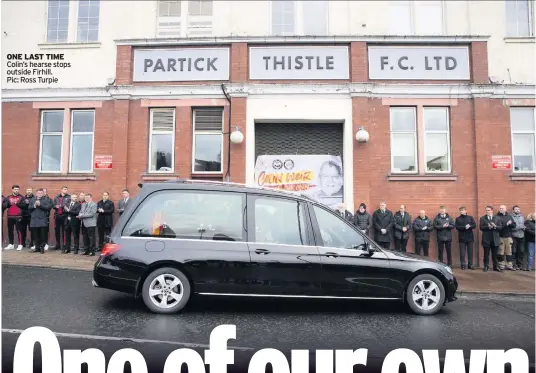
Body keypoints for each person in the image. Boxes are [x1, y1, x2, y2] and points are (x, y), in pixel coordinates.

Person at [28, 189, 52, 254]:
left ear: (43, 193)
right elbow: (29, 208)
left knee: (42, 235)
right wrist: (34, 205)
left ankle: (42, 248)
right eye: (38, 193)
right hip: (34, 220)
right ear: (36, 193)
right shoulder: (32, 199)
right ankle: (37, 248)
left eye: (41, 193)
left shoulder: (46, 199)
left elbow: (48, 208)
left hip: (42, 220)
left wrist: (40, 205)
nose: (40, 194)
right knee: (35, 235)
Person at [480, 205, 502, 272]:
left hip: (495, 239)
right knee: (486, 254)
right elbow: (481, 227)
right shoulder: (482, 218)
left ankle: (495, 267)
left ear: (492, 210)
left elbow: (500, 227)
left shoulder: (497, 218)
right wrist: (488, 227)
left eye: (488, 210)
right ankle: (486, 266)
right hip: (486, 239)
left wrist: (495, 226)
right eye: (486, 210)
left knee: (495, 254)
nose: (487, 211)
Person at [2, 185, 25, 250]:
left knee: (19, 231)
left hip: (18, 216)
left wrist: (17, 204)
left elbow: (24, 205)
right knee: (10, 230)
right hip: (10, 216)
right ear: (12, 190)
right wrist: (7, 204)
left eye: (17, 189)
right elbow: (4, 206)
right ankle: (11, 244)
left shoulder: (21, 197)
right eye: (15, 189)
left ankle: (20, 244)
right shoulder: (8, 197)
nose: (16, 190)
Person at [496, 204, 516, 271]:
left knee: (509, 251)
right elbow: (499, 227)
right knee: (501, 251)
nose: (501, 209)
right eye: (500, 208)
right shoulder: (497, 217)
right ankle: (501, 265)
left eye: (502, 208)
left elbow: (514, 225)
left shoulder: (509, 216)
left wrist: (511, 224)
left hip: (508, 236)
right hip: (500, 236)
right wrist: (506, 224)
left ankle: (509, 265)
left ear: (505, 209)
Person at [51, 186, 70, 251]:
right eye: (64, 189)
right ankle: (58, 244)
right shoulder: (56, 197)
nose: (65, 190)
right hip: (57, 215)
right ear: (61, 190)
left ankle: (64, 245)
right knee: (57, 231)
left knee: (64, 231)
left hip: (65, 215)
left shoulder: (69, 197)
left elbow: (68, 205)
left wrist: (61, 206)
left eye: (66, 189)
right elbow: (53, 205)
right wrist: (55, 206)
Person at [511, 205, 525, 271]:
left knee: (521, 251)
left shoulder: (522, 217)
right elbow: (511, 227)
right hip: (514, 236)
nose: (517, 210)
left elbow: (524, 225)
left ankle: (520, 265)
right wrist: (520, 227)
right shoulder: (511, 217)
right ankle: (514, 265)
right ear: (513, 210)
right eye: (516, 209)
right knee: (514, 251)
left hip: (521, 236)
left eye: (518, 209)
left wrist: (524, 227)